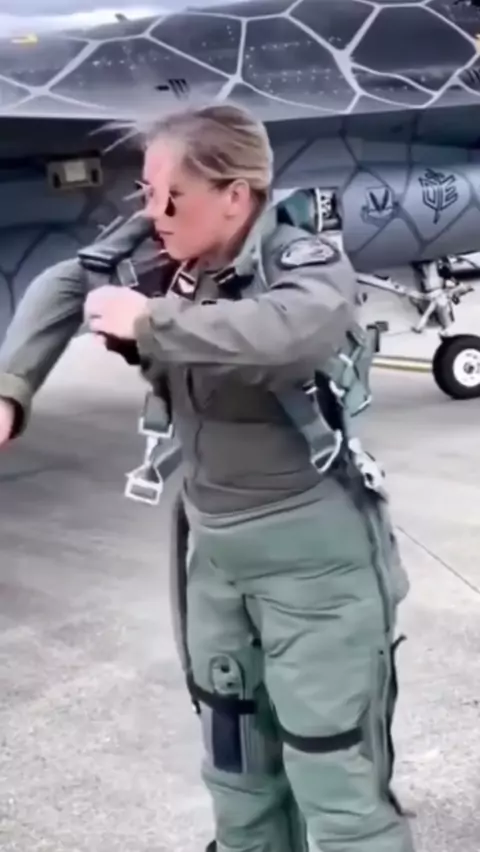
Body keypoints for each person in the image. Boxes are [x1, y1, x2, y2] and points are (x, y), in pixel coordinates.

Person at [0, 104, 414, 852]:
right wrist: (11, 390)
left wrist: (149, 323)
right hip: (215, 555)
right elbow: (67, 283)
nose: (151, 213)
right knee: (236, 766)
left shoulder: (303, 264)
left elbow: (290, 333)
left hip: (314, 564)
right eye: (146, 193)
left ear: (235, 195)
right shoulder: (165, 253)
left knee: (334, 777)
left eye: (170, 196)